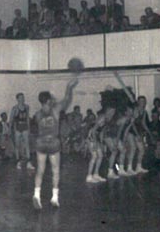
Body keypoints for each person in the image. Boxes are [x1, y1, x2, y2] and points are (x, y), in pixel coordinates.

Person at [32, 77, 79, 209]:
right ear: (48, 100)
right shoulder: (56, 110)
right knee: (55, 171)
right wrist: (69, 87)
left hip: (41, 142)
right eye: (51, 99)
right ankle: (54, 198)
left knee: (40, 170)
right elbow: (67, 100)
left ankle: (36, 195)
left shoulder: (37, 114)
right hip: (53, 142)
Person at [10, 93, 34, 170]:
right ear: (17, 99)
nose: (22, 99)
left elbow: (27, 118)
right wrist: (11, 130)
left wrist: (29, 128)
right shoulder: (14, 108)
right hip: (17, 127)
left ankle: (28, 162)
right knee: (18, 145)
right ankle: (18, 162)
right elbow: (11, 120)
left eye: (23, 97)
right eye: (20, 98)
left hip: (25, 127)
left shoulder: (27, 107)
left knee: (27, 145)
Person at [85, 113, 106, 183]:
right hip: (91, 141)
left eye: (104, 121)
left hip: (95, 141)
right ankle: (89, 176)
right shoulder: (96, 124)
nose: (103, 122)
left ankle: (96, 174)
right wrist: (95, 143)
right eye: (102, 120)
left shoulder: (101, 126)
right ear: (99, 120)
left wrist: (101, 143)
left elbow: (100, 135)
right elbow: (93, 132)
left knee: (100, 156)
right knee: (94, 157)